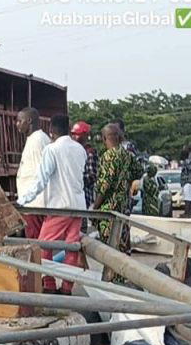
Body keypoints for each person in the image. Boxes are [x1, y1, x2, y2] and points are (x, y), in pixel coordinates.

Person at [16, 115, 86, 294]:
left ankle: (49, 284)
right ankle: (67, 288)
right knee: (72, 246)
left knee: (42, 246)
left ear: (52, 131)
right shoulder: (80, 149)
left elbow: (41, 179)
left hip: (59, 206)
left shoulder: (51, 150)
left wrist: (23, 200)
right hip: (78, 206)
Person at [93, 124, 134, 252]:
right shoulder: (127, 155)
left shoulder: (108, 156)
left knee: (110, 251)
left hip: (109, 211)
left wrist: (95, 207)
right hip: (123, 207)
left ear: (105, 138)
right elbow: (137, 172)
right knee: (123, 249)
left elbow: (104, 185)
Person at [15, 107, 51, 239]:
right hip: (32, 203)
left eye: (19, 121)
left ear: (29, 121)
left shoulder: (37, 140)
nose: (17, 124)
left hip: (35, 204)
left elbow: (41, 174)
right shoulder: (35, 139)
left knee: (35, 242)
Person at [71, 121, 98, 208]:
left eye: (77, 134)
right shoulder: (72, 150)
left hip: (84, 198)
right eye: (73, 134)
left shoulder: (90, 152)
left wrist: (76, 180)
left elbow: (92, 175)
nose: (74, 137)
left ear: (85, 135)